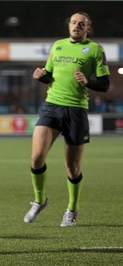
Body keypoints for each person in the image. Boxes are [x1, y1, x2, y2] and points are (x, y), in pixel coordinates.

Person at [24, 11, 110, 227]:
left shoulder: (95, 50)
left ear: (88, 28)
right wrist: (41, 76)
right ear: (69, 26)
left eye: (81, 24)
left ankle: (72, 209)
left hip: (76, 111)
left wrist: (87, 82)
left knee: (72, 168)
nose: (76, 26)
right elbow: (49, 75)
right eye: (73, 23)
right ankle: (40, 200)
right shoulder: (57, 45)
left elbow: (104, 84)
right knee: (36, 158)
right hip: (51, 106)